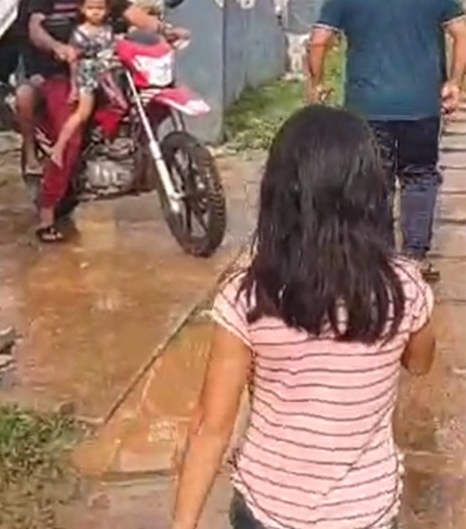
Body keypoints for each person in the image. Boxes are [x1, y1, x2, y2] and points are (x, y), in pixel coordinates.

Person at [169, 105, 436, 529]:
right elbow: (420, 363)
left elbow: (210, 428)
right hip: (365, 512)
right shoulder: (403, 286)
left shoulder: (249, 295)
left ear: (278, 193)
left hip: (268, 509)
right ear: (370, 192)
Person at [306, 0, 466, 282]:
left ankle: (380, 260)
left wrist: (316, 84)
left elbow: (318, 41)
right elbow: (462, 33)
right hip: (421, 106)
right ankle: (414, 259)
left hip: (366, 109)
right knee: (420, 176)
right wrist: (454, 83)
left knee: (374, 180)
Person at [18, 0, 179, 243]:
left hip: (104, 68)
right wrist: (56, 47)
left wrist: (167, 30)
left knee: (150, 100)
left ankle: (132, 156)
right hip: (60, 74)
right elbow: (35, 29)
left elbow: (134, 15)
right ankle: (47, 211)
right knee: (71, 134)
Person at [49, 0, 121, 166]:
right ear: (82, 9)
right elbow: (73, 61)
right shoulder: (79, 33)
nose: (95, 12)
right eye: (90, 8)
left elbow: (114, 51)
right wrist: (74, 86)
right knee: (82, 113)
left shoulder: (108, 30)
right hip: (88, 74)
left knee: (121, 105)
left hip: (108, 74)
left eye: (100, 8)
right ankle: (58, 147)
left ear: (107, 10)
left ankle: (107, 141)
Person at [13, 0, 63, 177]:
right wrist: (34, 72)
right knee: (25, 98)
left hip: (76, 63)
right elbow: (24, 35)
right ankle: (31, 154)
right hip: (38, 65)